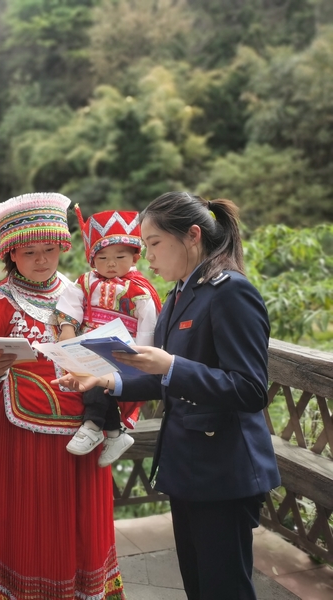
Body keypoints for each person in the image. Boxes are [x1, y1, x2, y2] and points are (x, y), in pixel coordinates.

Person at [59, 192, 281, 600]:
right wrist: (106, 382)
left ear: (192, 235)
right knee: (198, 585)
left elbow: (250, 389)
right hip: (187, 464)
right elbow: (159, 375)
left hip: (223, 468)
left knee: (225, 587)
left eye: (154, 243)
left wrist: (172, 366)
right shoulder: (181, 293)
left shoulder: (231, 291)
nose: (148, 257)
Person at [0, 192, 125, 600]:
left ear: (63, 247)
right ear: (11, 253)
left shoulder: (83, 292)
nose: (42, 260)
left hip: (86, 425)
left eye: (50, 249)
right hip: (25, 438)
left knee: (83, 526)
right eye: (29, 252)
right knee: (33, 525)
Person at [56, 207, 161, 466]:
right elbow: (71, 306)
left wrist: (139, 356)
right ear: (92, 260)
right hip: (90, 341)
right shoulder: (85, 282)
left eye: (119, 256)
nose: (111, 264)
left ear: (135, 256)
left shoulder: (139, 290)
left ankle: (92, 426)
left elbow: (148, 325)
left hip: (122, 348)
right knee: (92, 380)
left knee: (97, 382)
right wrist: (67, 330)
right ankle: (114, 434)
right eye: (102, 258)